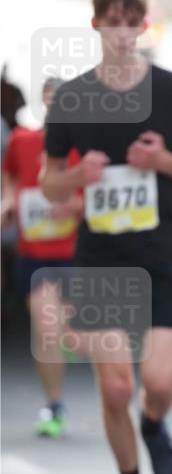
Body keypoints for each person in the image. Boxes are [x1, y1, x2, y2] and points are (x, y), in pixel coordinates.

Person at [40, 0, 172, 474]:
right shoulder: (71, 97)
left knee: (156, 384)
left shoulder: (171, 89)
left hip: (167, 252)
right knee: (115, 386)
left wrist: (163, 162)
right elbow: (48, 184)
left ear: (143, 26)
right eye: (111, 21)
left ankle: (154, 424)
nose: (121, 31)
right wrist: (76, 176)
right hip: (103, 256)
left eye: (131, 21)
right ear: (96, 25)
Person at [2, 78, 81, 437]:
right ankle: (54, 404)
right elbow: (9, 176)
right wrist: (8, 200)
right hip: (35, 256)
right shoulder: (22, 141)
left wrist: (74, 205)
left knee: (65, 333)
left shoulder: (84, 147)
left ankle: (72, 340)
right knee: (47, 330)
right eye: (51, 100)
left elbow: (99, 195)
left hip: (75, 255)